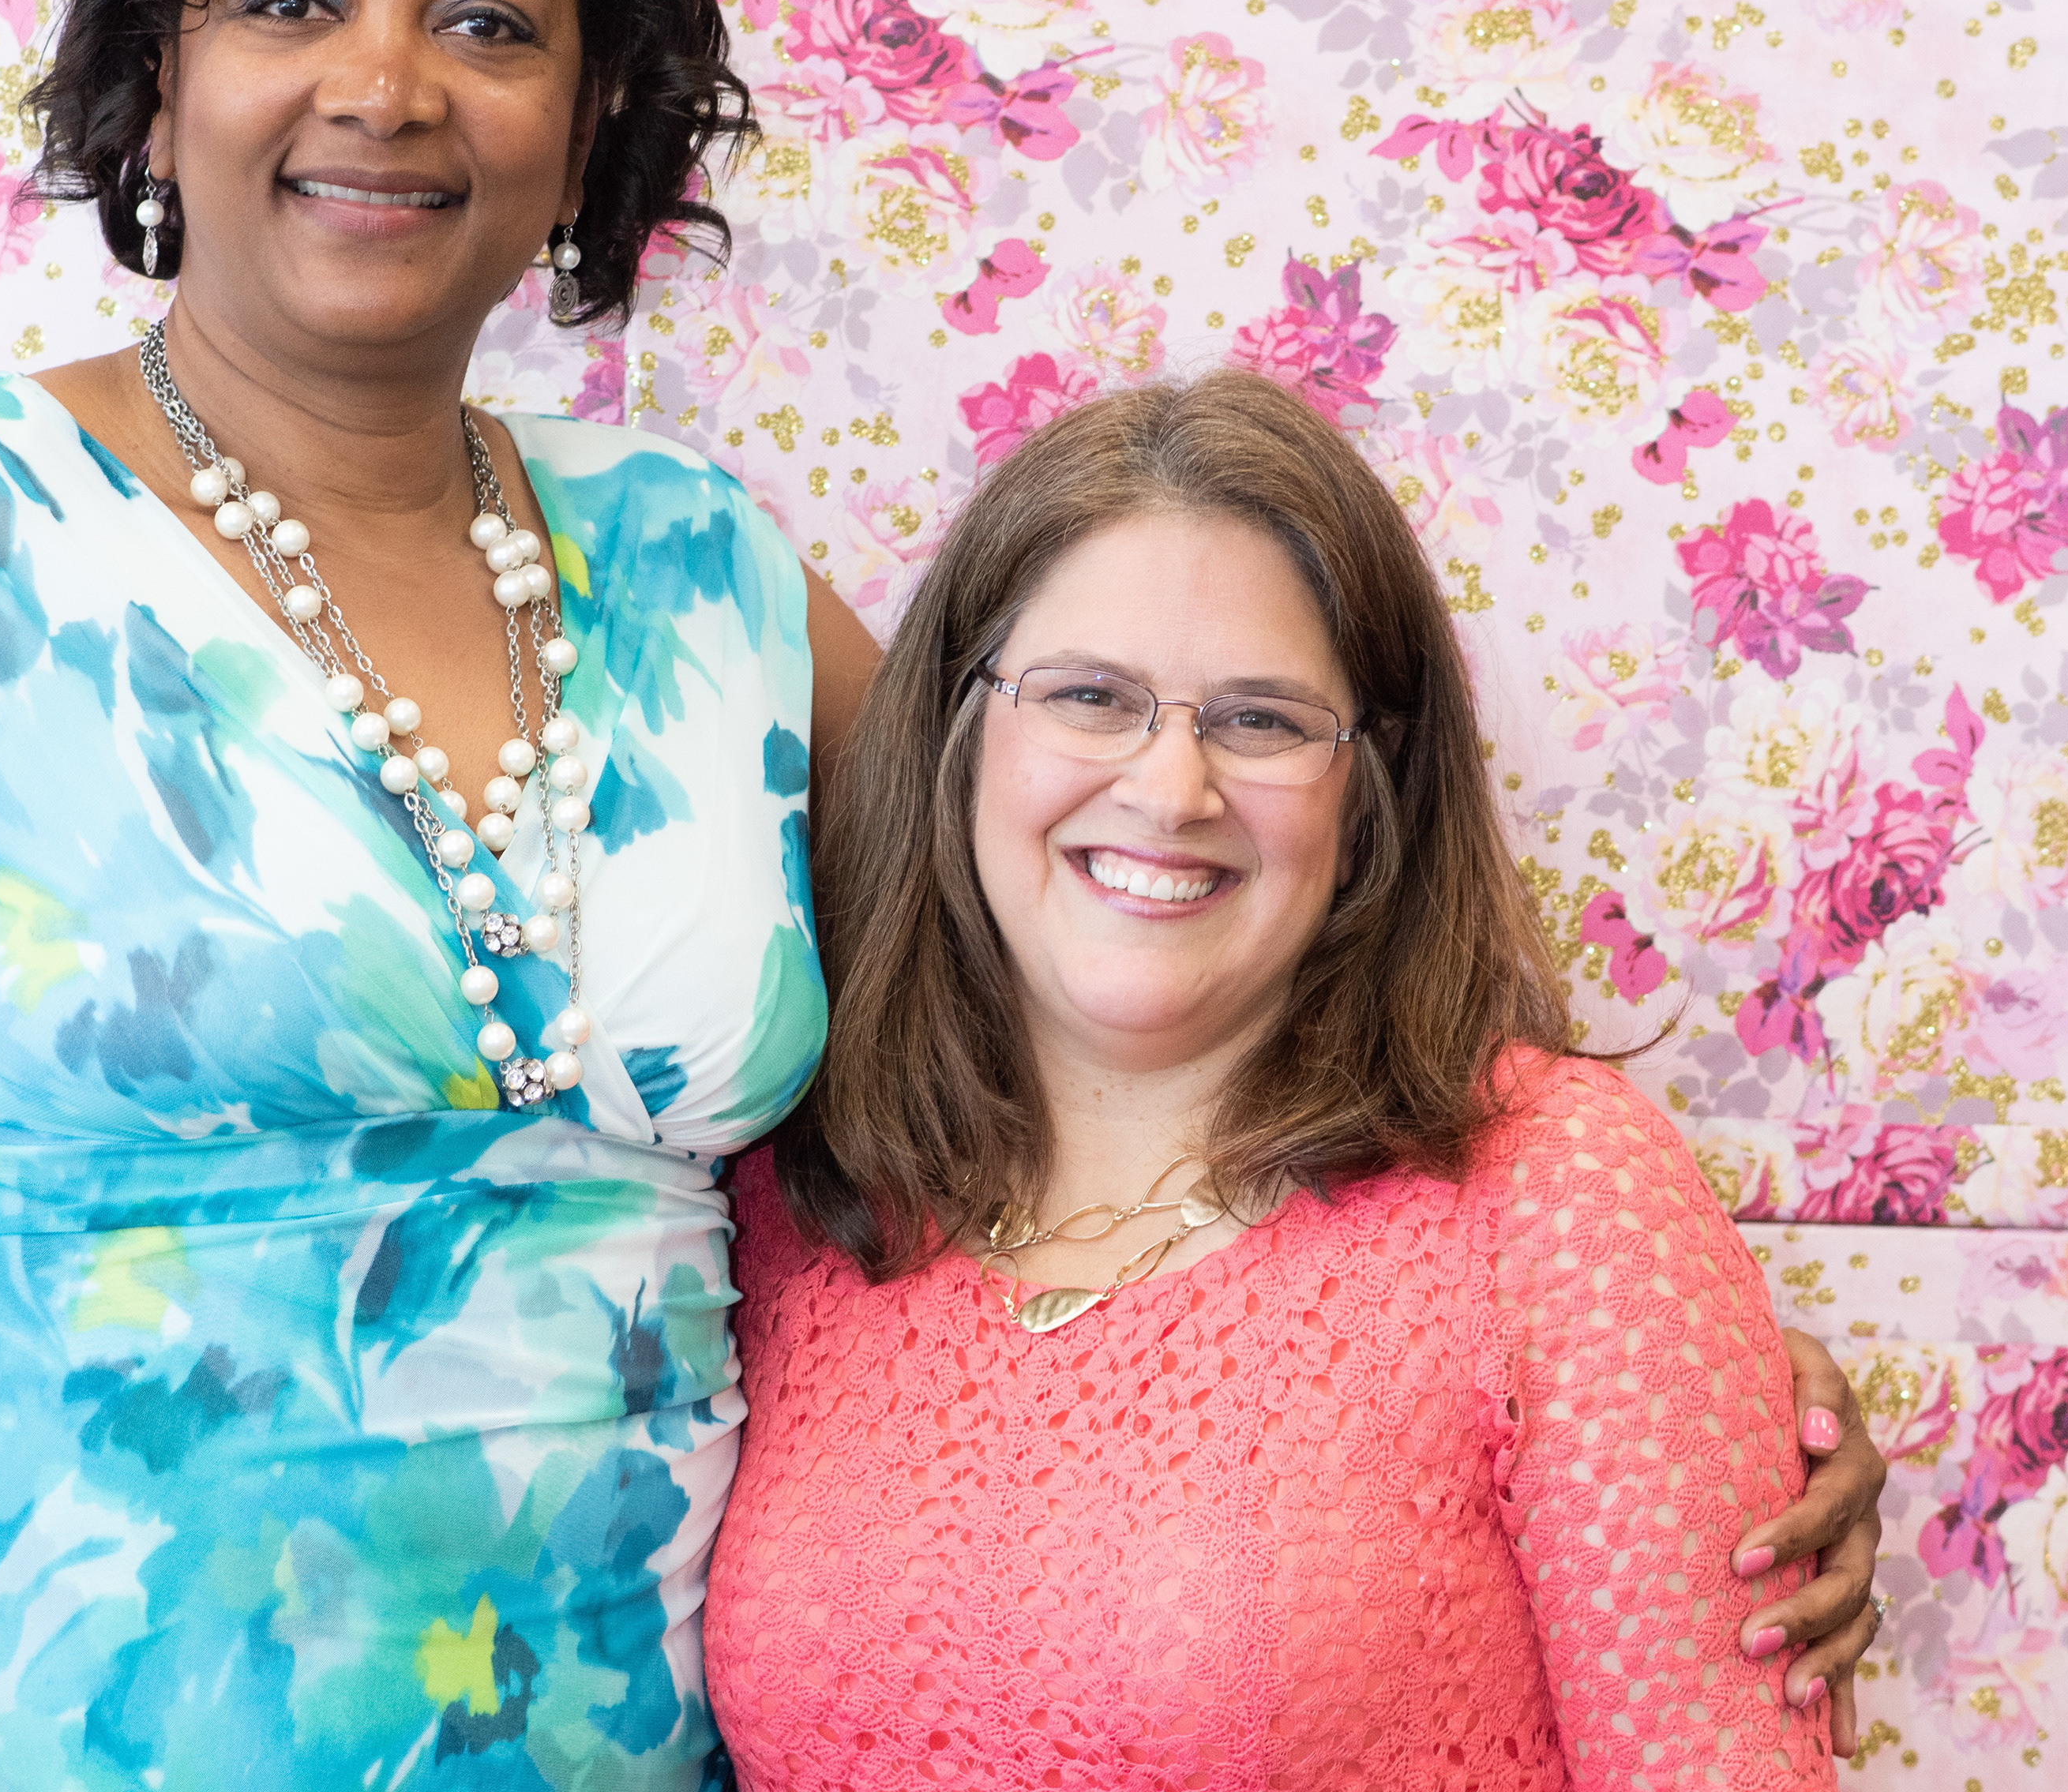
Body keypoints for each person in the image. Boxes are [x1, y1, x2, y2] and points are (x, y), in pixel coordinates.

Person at [0, 0, 1881, 1788]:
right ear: (163, 65)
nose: (387, 84)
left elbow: (1124, 925)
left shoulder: (698, 576)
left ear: (587, 128)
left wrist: (1634, 1371)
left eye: (487, 22)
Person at [706, 369, 1856, 1786]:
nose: (1169, 789)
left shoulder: (1555, 1199)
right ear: (958, 726)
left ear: (1372, 785)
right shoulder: (792, 1196)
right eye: (1089, 696)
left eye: (1260, 720)